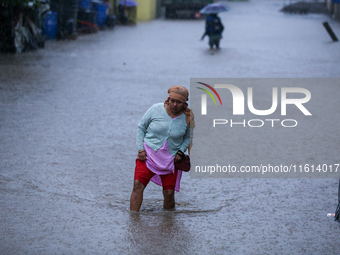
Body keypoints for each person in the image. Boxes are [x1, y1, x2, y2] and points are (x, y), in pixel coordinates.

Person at [130, 86, 195, 212]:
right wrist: (140, 149)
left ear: (184, 103)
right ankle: (133, 218)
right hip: (147, 155)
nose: (175, 104)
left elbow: (188, 137)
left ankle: (168, 220)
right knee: (138, 185)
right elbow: (141, 128)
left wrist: (180, 152)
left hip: (170, 159)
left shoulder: (188, 117)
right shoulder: (155, 109)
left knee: (169, 193)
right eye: (172, 101)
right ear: (168, 99)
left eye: (179, 102)